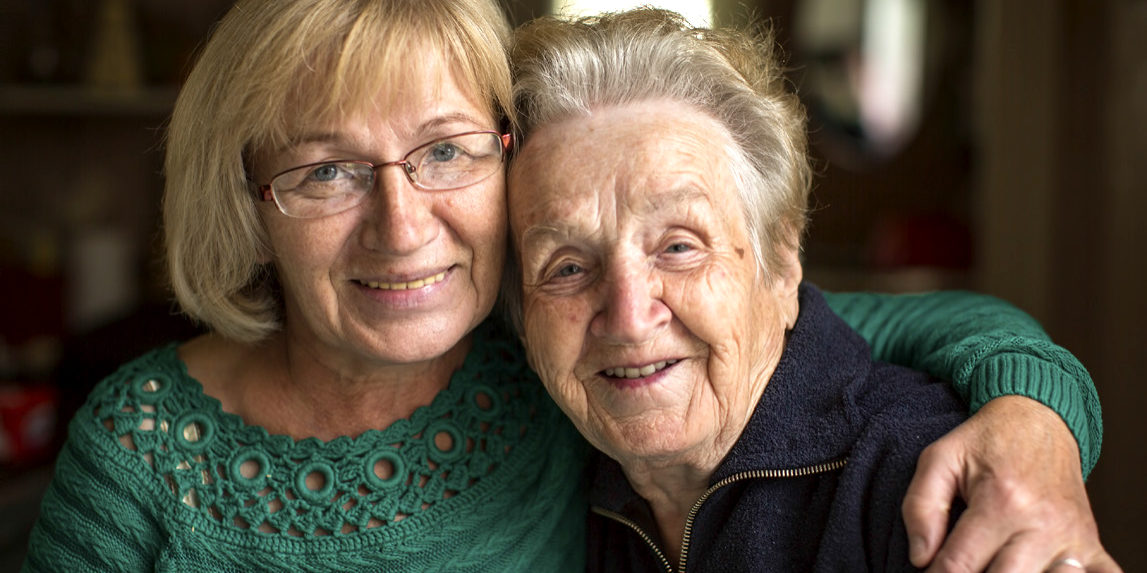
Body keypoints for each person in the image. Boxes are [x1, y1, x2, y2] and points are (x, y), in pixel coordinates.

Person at [20, 0, 1104, 571]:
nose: (402, 228)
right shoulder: (140, 448)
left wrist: (1034, 420)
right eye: (324, 171)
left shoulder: (554, 349)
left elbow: (932, 326)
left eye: (445, 151)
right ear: (247, 200)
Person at [506, 7, 1119, 572]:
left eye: (678, 247)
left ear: (780, 262)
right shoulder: (547, 481)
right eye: (565, 268)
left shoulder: (921, 481)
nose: (630, 317)